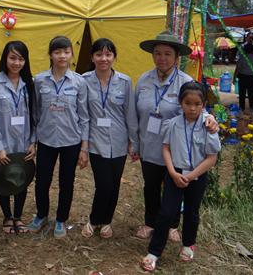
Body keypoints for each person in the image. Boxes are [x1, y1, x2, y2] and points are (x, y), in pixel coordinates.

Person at [134, 31, 218, 242]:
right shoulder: (144, 80)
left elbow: (197, 107)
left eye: (167, 54)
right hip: (149, 144)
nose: (162, 58)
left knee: (174, 188)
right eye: (157, 53)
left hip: (175, 149)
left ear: (176, 57)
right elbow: (135, 112)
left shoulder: (185, 81)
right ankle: (150, 222)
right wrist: (134, 142)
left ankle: (172, 224)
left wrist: (210, 118)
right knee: (151, 186)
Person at [140, 81, 220, 271]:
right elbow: (166, 148)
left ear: (203, 104)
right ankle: (154, 252)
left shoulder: (208, 126)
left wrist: (191, 176)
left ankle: (188, 244)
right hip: (175, 175)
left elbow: (212, 158)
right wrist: (172, 172)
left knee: (192, 212)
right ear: (180, 103)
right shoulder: (173, 124)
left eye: (197, 104)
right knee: (166, 212)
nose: (192, 108)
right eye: (187, 103)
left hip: (197, 176)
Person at [26, 36, 89, 238]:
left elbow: (84, 116)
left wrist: (84, 147)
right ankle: (41, 215)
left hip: (71, 140)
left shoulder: (79, 82)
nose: (62, 56)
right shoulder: (39, 80)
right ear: (50, 55)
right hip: (46, 139)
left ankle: (61, 219)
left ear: (72, 54)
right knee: (42, 180)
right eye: (57, 52)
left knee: (66, 181)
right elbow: (35, 113)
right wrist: (33, 140)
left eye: (66, 52)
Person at [81, 38, 138, 239]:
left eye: (108, 54)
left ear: (114, 57)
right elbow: (83, 115)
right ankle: (94, 219)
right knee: (104, 184)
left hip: (119, 141)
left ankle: (106, 221)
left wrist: (133, 142)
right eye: (99, 54)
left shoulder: (125, 81)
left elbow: (130, 114)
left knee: (114, 185)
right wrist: (84, 146)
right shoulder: (84, 80)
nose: (103, 58)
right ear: (92, 57)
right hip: (96, 141)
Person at [0, 41, 36, 234]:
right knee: (4, 177)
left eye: (21, 59)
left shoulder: (29, 83)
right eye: (12, 58)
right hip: (3, 142)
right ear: (5, 59)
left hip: (24, 142)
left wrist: (33, 142)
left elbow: (34, 115)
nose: (16, 63)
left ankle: (18, 217)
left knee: (22, 176)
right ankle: (7, 216)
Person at [235, 43, 253, 111]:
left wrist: (235, 77)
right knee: (251, 92)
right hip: (251, 77)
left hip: (243, 76)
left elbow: (238, 68)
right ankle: (252, 106)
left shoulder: (242, 57)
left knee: (242, 93)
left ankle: (242, 107)